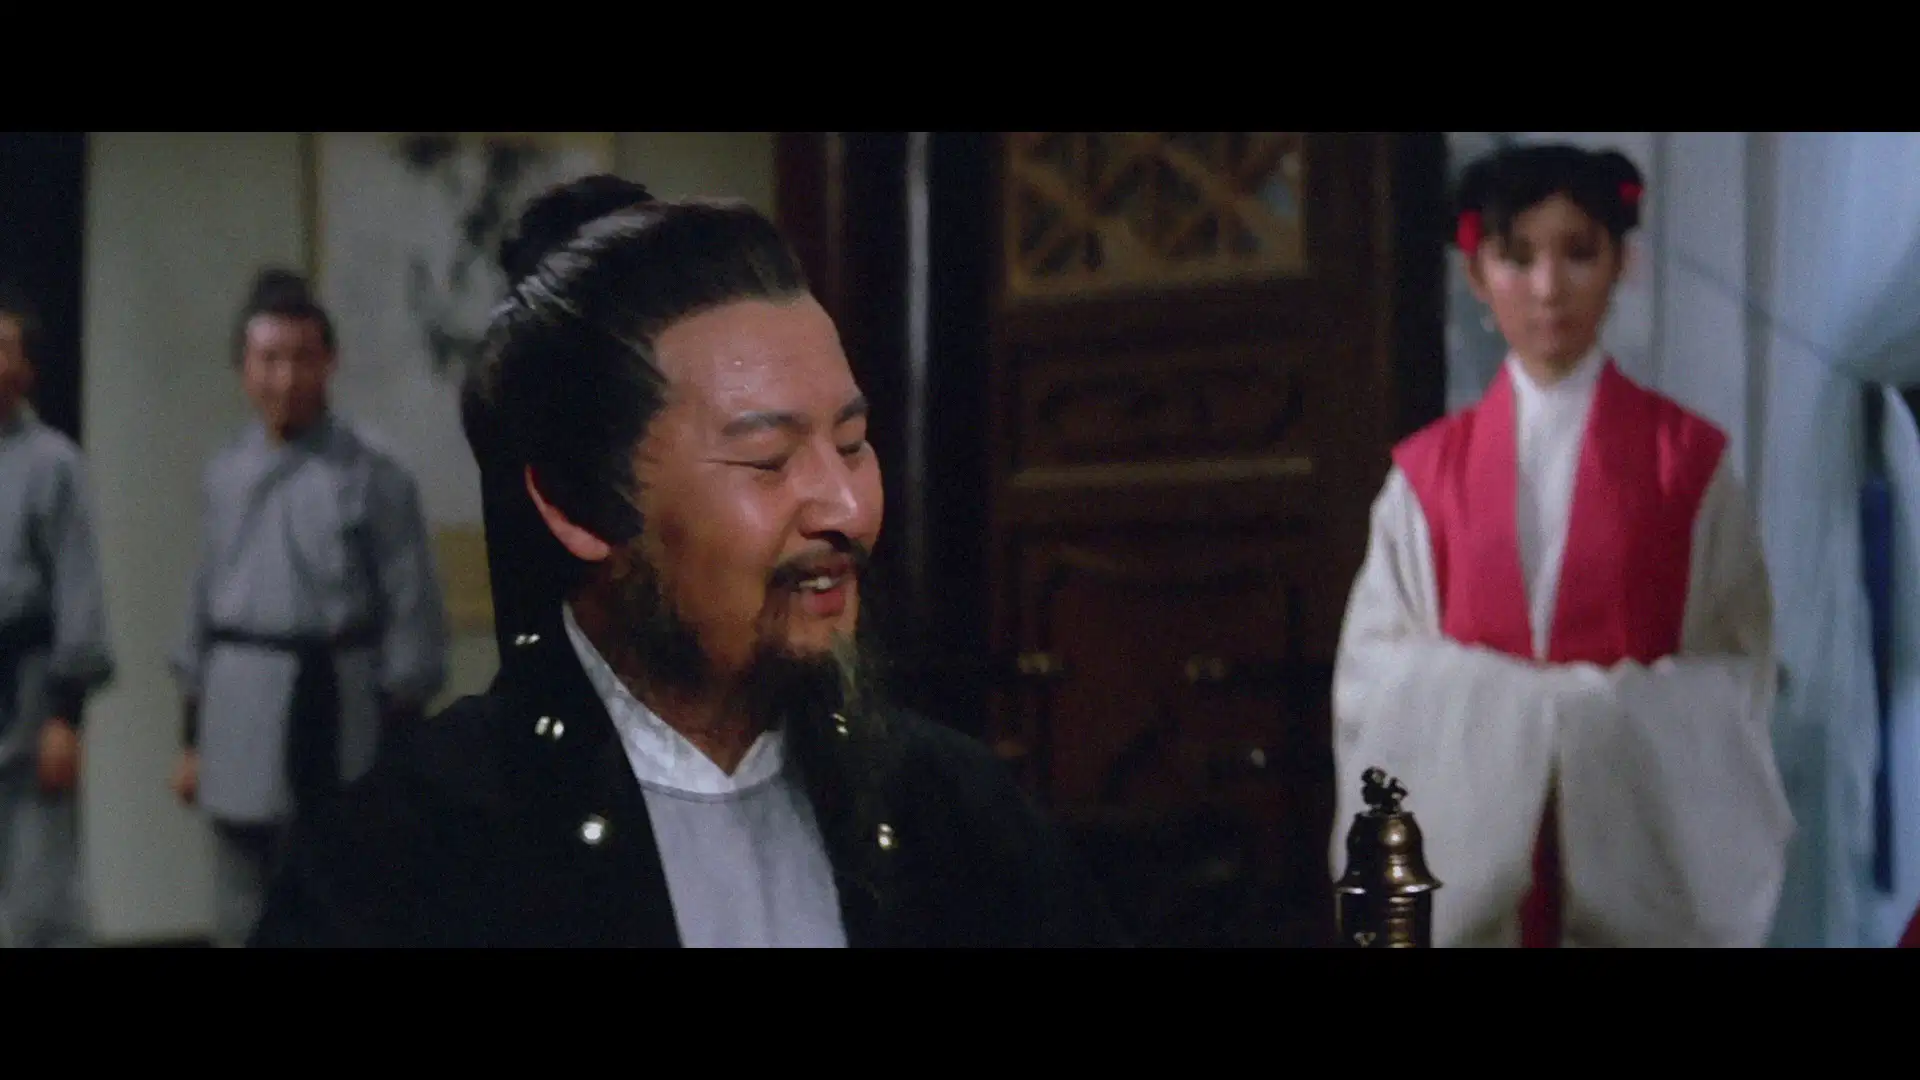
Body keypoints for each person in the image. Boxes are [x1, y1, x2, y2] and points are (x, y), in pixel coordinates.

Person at [248, 176, 1124, 948]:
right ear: (579, 507)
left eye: (853, 444)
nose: (849, 510)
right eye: (769, 461)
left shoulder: (958, 817)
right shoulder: (409, 855)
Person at [1328, 144, 1794, 948]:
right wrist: (1531, 710)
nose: (1548, 288)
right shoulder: (1426, 478)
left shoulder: (1687, 464)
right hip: (1476, 892)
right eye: (1517, 258)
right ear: (1477, 275)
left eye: (1579, 253)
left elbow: (1736, 671)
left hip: (1638, 881)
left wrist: (1595, 718)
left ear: (1621, 264)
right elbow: (1376, 673)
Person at [169, 268, 450, 948]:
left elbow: (410, 607)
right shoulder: (225, 471)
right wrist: (191, 737)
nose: (286, 377)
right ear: (244, 367)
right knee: (241, 906)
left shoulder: (373, 472)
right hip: (239, 708)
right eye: (269, 359)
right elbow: (202, 606)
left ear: (329, 362)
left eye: (302, 357)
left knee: (341, 899)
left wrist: (398, 734)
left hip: (339, 708)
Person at [0, 283, 114, 948]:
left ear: (26, 368)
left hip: (29, 694)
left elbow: (79, 590)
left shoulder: (52, 464)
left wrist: (65, 717)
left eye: (3, 349)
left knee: (42, 899)